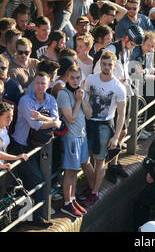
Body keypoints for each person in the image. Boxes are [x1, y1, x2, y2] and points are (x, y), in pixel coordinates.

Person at [10, 72, 61, 228]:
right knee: (36, 179)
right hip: (22, 146)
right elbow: (35, 125)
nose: (40, 86)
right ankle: (36, 218)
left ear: (48, 84)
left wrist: (41, 117)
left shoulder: (51, 99)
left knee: (37, 179)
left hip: (40, 145)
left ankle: (29, 217)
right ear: (33, 84)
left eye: (43, 83)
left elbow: (58, 123)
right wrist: (50, 121)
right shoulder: (25, 100)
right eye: (37, 83)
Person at [83, 51, 126, 206]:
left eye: (109, 64)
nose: (106, 67)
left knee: (100, 160)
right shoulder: (90, 79)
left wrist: (115, 137)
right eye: (104, 64)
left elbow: (121, 115)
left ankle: (95, 191)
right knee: (83, 158)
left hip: (104, 125)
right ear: (100, 64)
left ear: (114, 66)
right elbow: (84, 98)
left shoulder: (119, 88)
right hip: (88, 123)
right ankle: (91, 185)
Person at [57, 65, 93, 217]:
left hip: (82, 136)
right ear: (67, 77)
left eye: (78, 77)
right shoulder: (63, 93)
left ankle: (72, 199)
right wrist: (78, 101)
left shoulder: (81, 92)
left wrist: (82, 98)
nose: (75, 80)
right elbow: (70, 118)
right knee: (70, 171)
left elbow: (89, 114)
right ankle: (66, 203)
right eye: (72, 77)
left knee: (76, 170)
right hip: (71, 137)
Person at [0, 102, 28, 169]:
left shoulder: (5, 127)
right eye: (8, 117)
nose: (10, 119)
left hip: (2, 167)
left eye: (12, 116)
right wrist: (16, 157)